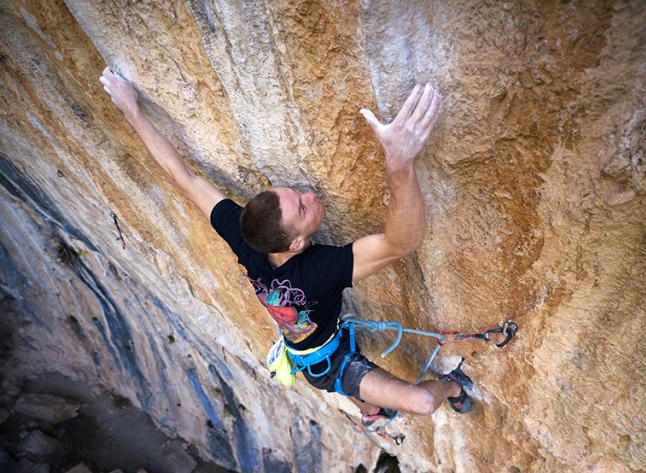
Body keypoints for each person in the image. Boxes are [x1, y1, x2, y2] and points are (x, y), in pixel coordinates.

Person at [100, 67, 474, 424]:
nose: (310, 195)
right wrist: (400, 163)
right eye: (302, 205)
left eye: (297, 194)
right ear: (297, 242)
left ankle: (370, 408)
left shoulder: (244, 233)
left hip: (313, 355)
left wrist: (130, 107)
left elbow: (181, 175)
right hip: (331, 364)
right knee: (423, 402)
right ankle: (454, 385)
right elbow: (401, 242)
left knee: (364, 394)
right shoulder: (317, 270)